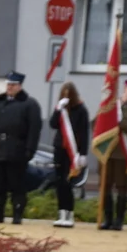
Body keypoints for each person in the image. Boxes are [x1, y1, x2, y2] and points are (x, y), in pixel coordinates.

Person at [0, 71, 42, 224]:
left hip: (17, 150)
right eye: (8, 84)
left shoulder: (29, 104)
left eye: (13, 85)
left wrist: (29, 150)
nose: (10, 87)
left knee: (17, 184)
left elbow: (34, 130)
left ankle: (17, 213)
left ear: (20, 86)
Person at [100, 79, 127, 231]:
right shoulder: (110, 105)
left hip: (122, 154)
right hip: (107, 152)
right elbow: (96, 124)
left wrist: (120, 121)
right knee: (105, 187)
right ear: (125, 88)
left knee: (122, 187)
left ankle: (119, 220)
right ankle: (107, 218)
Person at [49, 81, 89, 228]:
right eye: (63, 94)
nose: (66, 96)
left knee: (68, 182)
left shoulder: (81, 109)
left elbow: (84, 132)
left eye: (68, 94)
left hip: (73, 151)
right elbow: (53, 125)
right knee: (59, 182)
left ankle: (70, 213)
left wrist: (83, 153)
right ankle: (61, 212)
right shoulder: (60, 108)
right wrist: (58, 109)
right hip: (60, 148)